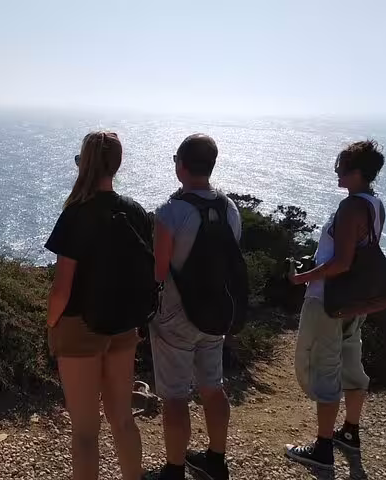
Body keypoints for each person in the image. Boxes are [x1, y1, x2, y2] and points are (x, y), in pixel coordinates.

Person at [45, 132, 153, 480]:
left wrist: (50, 325)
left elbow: (62, 288)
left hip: (79, 326)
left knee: (86, 432)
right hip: (122, 325)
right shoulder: (135, 211)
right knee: (123, 420)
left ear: (84, 164)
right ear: (116, 165)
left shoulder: (76, 214)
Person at [286, 140, 386, 470]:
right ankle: (350, 433)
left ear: (357, 172)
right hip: (355, 301)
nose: (337, 172)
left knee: (322, 368)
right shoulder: (375, 205)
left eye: (341, 167)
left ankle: (323, 448)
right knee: (351, 363)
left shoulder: (351, 207)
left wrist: (303, 278)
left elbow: (341, 262)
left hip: (328, 299)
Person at [150, 134, 241, 480]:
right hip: (216, 312)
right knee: (212, 387)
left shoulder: (169, 213)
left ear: (181, 165)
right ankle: (216, 460)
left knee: (175, 396)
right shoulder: (230, 208)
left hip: (176, 314)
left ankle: (174, 471)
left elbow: (159, 273)